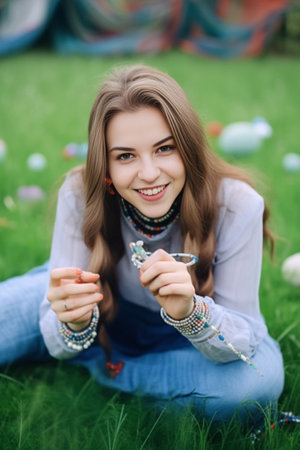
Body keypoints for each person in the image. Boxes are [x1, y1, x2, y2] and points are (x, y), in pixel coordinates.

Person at [0, 64, 284, 423]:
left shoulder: (238, 205)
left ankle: (106, 369)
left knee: (255, 388)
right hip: (105, 317)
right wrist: (71, 322)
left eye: (165, 148)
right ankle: (114, 368)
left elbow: (244, 338)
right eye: (125, 156)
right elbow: (57, 338)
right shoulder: (79, 195)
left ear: (189, 146)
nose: (149, 173)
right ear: (106, 164)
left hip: (187, 348)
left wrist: (190, 311)